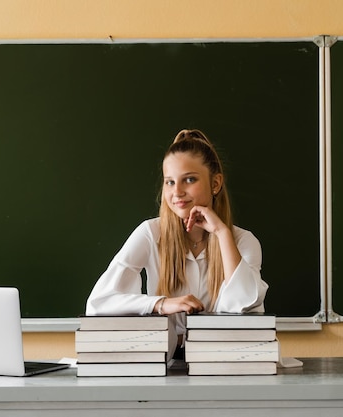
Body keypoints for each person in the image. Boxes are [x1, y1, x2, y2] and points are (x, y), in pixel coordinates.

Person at [85, 129, 268, 344]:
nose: (177, 192)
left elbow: (243, 309)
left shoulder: (243, 241)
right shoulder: (150, 233)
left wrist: (221, 233)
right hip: (162, 364)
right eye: (170, 182)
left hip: (218, 360)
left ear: (215, 184)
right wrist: (160, 304)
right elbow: (98, 303)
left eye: (189, 179)